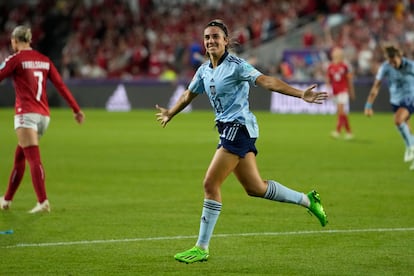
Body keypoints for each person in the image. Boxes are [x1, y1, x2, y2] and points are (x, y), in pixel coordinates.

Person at [155, 19, 328, 264]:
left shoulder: (237, 65)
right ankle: (308, 200)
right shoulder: (204, 70)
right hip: (228, 129)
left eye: (216, 36)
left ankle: (201, 247)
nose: (211, 41)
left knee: (210, 183)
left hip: (239, 128)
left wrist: (300, 94)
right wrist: (171, 113)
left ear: (226, 41)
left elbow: (266, 81)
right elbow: (188, 94)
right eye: (207, 37)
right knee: (255, 188)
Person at [0, 25, 85, 213]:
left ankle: (42, 201)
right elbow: (61, 85)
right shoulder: (44, 60)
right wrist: (76, 109)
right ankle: (6, 200)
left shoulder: (15, 59)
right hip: (43, 117)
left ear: (15, 41)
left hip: (26, 115)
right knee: (19, 157)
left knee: (33, 158)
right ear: (29, 40)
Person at [364, 45, 414, 170]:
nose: (392, 64)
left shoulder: (410, 66)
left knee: (398, 120)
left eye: (394, 61)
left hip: (409, 97)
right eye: (390, 62)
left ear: (400, 57)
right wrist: (368, 105)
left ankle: (410, 147)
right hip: (395, 100)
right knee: (406, 128)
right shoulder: (385, 67)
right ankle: (411, 146)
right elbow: (376, 86)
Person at [326, 47, 356, 139]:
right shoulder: (330, 67)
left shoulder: (345, 66)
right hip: (335, 92)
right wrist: (328, 91)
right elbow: (328, 80)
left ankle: (342, 131)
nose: (337, 56)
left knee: (341, 111)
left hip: (343, 90)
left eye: (339, 54)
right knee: (340, 112)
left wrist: (351, 92)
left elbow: (349, 80)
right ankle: (345, 132)